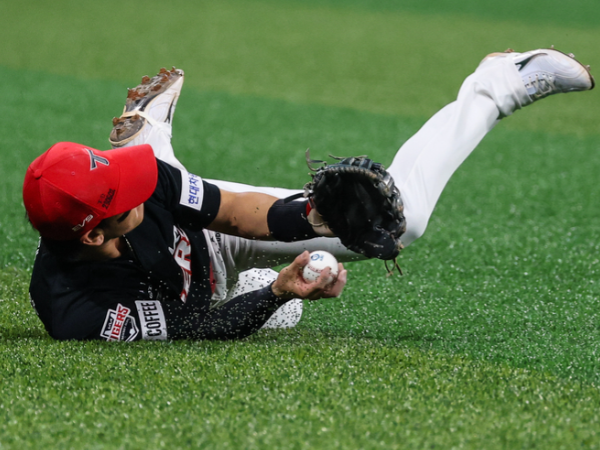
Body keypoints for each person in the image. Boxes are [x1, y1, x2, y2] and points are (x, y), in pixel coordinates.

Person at [24, 48, 594, 341]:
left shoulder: (146, 184)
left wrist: (317, 218)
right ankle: (150, 129)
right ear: (92, 235)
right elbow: (198, 330)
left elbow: (236, 214)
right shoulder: (77, 311)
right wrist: (277, 291)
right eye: (122, 190)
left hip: (209, 238)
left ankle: (497, 86)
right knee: (279, 315)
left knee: (404, 222)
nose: (138, 183)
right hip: (197, 290)